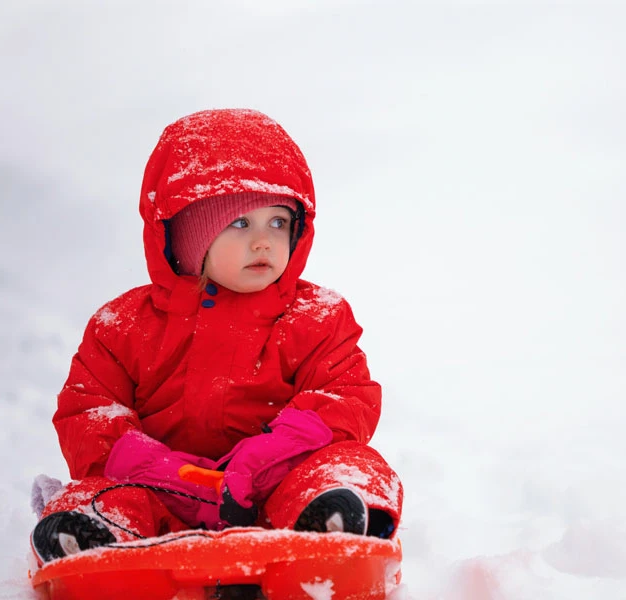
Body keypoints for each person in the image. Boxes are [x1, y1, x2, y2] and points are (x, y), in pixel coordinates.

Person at [30, 109, 402, 564]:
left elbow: (344, 397)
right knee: (100, 492)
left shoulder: (318, 317)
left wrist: (265, 459)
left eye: (278, 222)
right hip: (158, 492)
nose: (263, 241)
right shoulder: (122, 325)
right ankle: (95, 537)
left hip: (275, 488)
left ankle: (331, 524)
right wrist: (163, 471)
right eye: (241, 223)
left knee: (351, 466)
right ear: (186, 235)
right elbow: (88, 412)